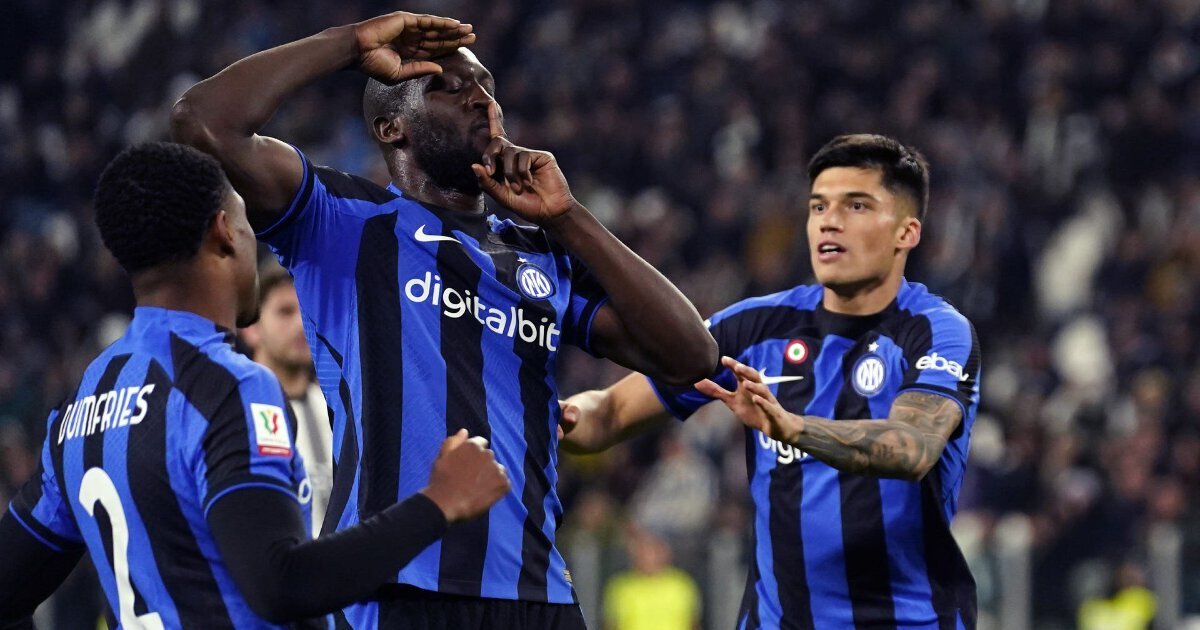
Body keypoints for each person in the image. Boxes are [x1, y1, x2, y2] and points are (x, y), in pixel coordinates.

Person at [170, 10, 717, 629]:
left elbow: (692, 357)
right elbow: (201, 119)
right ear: (391, 127)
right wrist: (349, 44)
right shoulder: (341, 220)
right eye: (448, 88)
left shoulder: (540, 252)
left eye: (486, 86)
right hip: (394, 590)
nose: (481, 99)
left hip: (537, 593)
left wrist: (568, 218)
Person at [0, 142, 510, 628]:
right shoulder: (226, 385)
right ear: (225, 230)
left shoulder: (84, 399)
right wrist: (438, 503)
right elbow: (282, 583)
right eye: (247, 223)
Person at [562, 134, 981, 629]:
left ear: (906, 233)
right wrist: (537, 414)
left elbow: (912, 447)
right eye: (819, 206)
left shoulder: (936, 330)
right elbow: (609, 413)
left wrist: (792, 427)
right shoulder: (754, 326)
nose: (829, 221)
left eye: (857, 205)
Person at [243, 263, 334, 535]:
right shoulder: (237, 410)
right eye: (285, 311)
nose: (301, 324)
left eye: (307, 311)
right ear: (251, 328)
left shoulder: (337, 408)